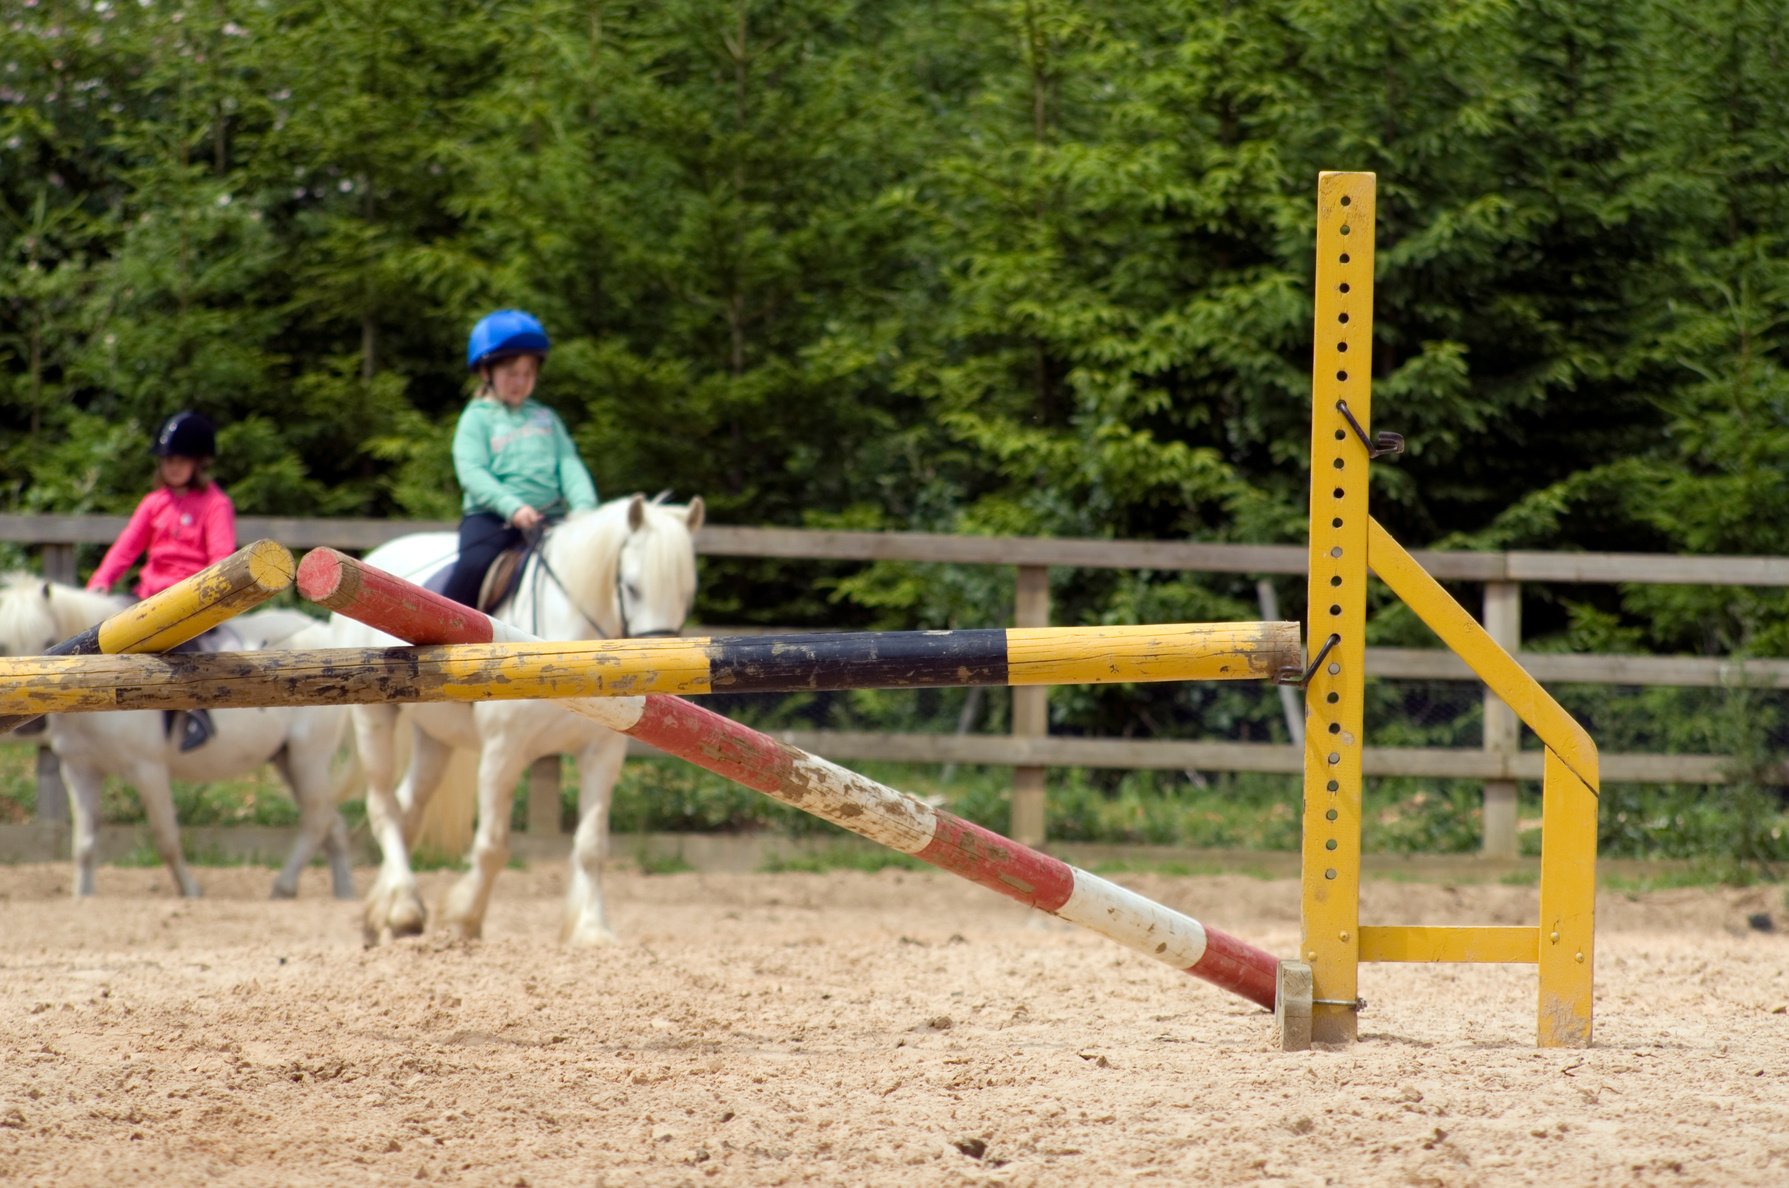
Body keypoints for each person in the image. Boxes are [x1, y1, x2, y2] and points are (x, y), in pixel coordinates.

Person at [87, 411, 236, 751]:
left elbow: (221, 557)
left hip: (190, 600)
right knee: (103, 629)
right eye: (168, 459)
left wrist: (203, 600)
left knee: (178, 638)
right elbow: (125, 549)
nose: (173, 466)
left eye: (182, 460)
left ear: (198, 462)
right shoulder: (153, 503)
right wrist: (101, 582)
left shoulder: (216, 504)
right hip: (146, 596)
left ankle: (198, 710)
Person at [440, 309, 599, 607]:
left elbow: (569, 463)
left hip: (549, 519)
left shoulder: (546, 418)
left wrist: (584, 509)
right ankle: (439, 637)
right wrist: (513, 508)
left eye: (528, 373)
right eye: (511, 372)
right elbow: (473, 472)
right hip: (492, 520)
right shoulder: (476, 418)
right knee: (472, 566)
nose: (521, 381)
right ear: (487, 373)